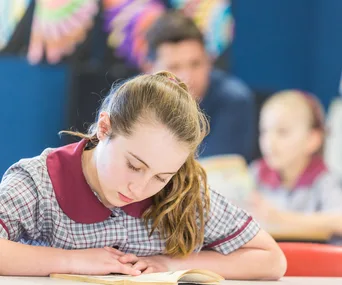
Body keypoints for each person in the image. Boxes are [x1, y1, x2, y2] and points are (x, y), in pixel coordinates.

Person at [0, 71, 286, 279]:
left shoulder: (181, 191)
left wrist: (172, 263)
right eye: (134, 166)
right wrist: (72, 261)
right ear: (104, 128)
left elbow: (271, 260)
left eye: (161, 176)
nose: (140, 188)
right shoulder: (38, 182)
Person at [143, 11, 256, 161]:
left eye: (195, 64)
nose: (186, 77)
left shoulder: (234, 100)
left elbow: (213, 173)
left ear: (209, 61)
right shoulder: (131, 100)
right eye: (174, 67)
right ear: (149, 69)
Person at [249, 90, 342, 237]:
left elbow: (339, 220)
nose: (269, 142)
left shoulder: (324, 179)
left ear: (312, 139)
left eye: (282, 132)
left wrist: (281, 218)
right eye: (264, 131)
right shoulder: (256, 172)